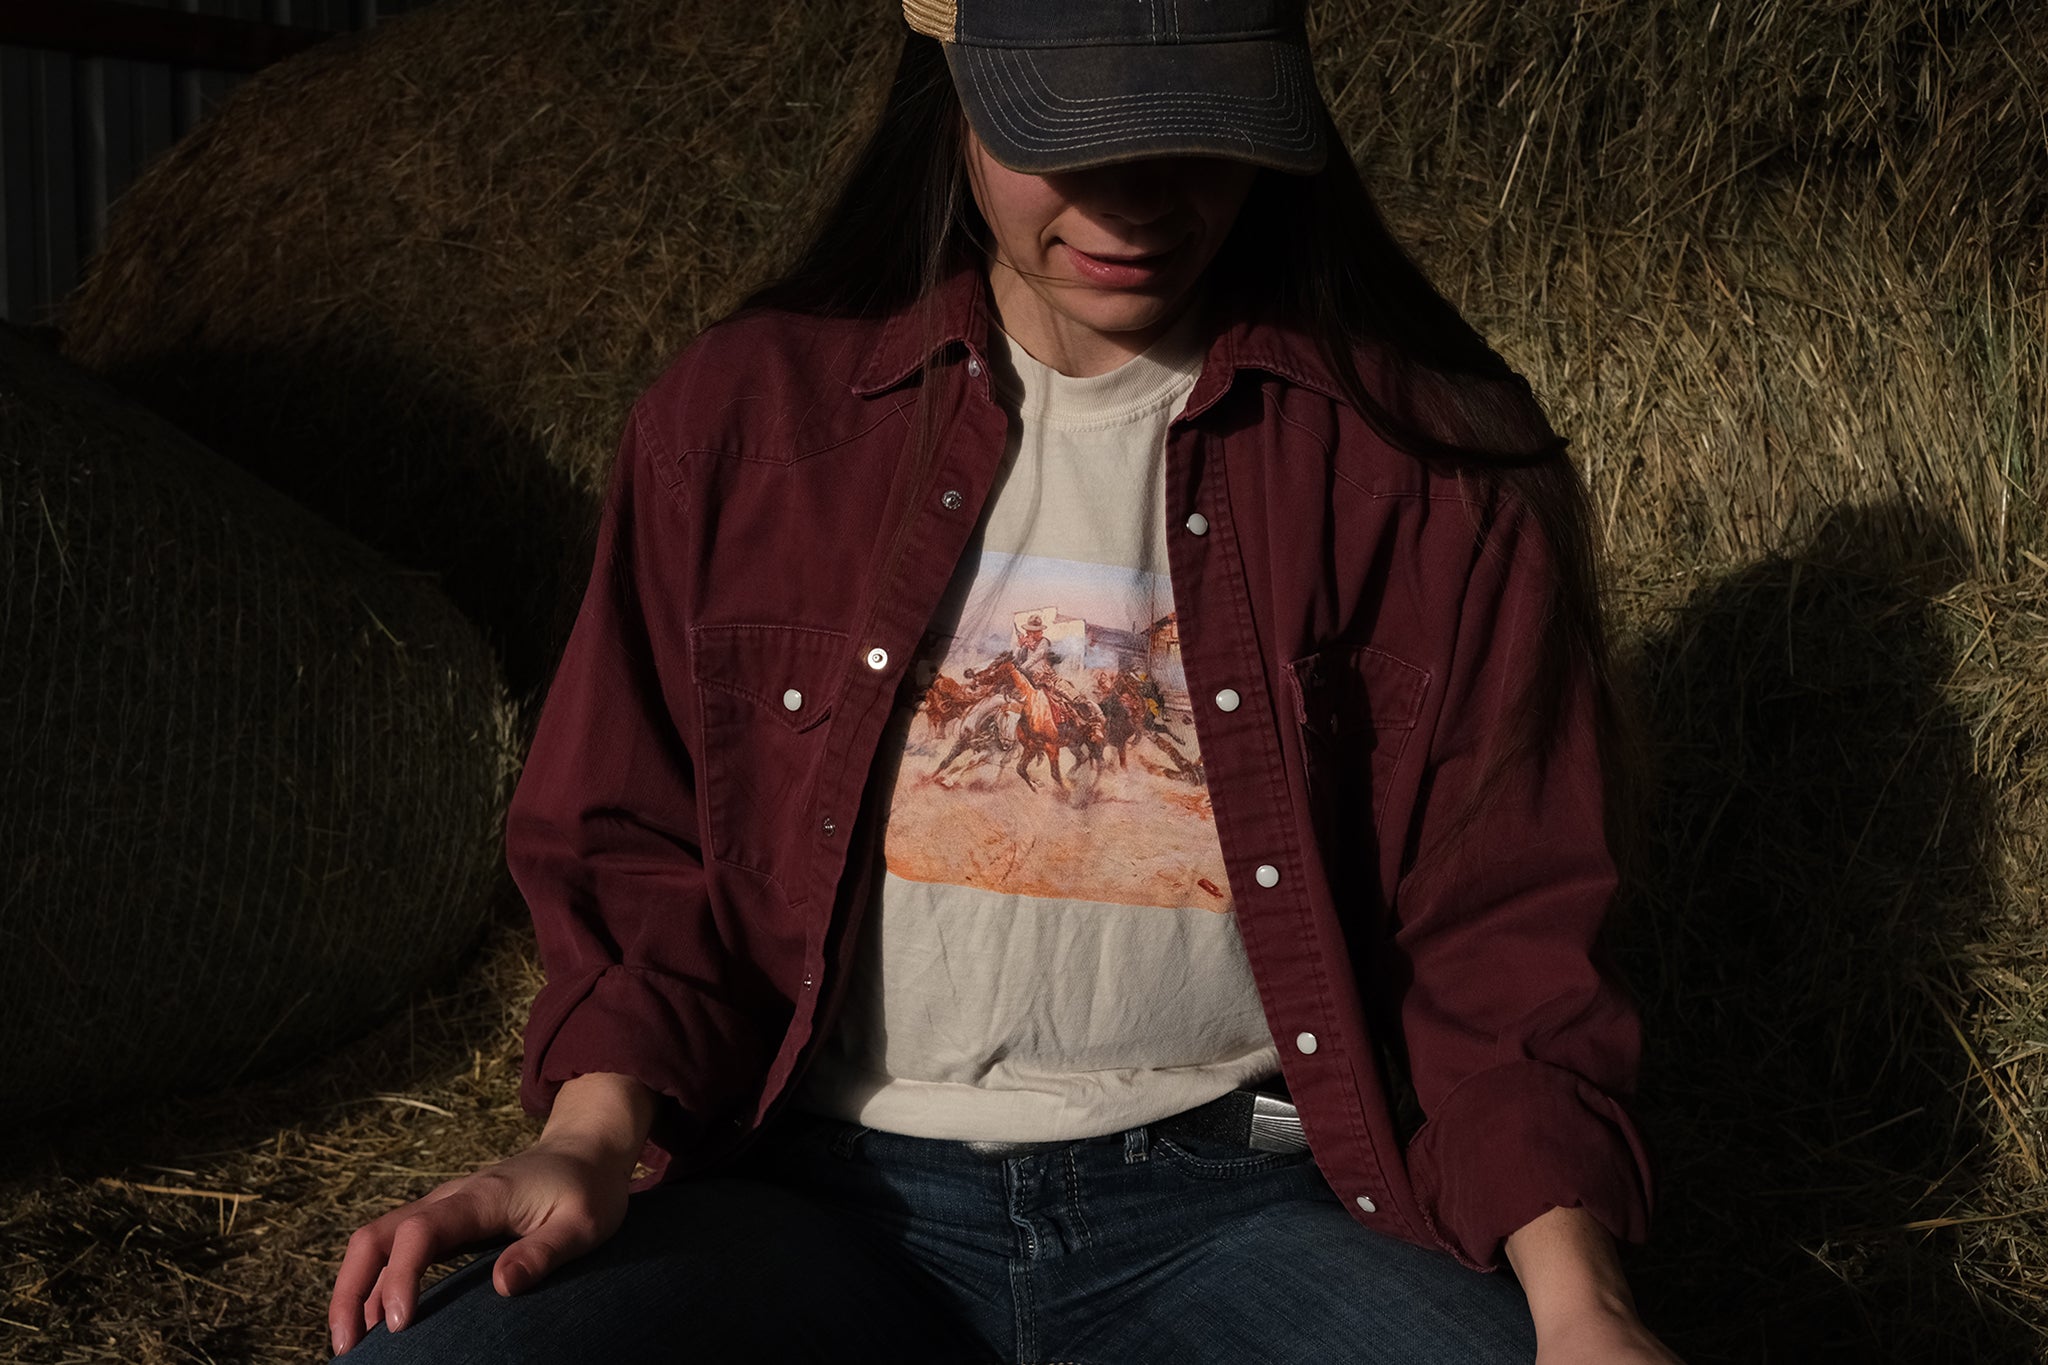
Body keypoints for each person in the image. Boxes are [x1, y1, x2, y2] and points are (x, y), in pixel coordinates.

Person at [329, 2, 1680, 1360]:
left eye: (1196, 137)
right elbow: (636, 838)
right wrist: (589, 1137)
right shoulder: (742, 421)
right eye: (1072, 138)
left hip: (1238, 1210)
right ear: (958, 92)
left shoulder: (1429, 468)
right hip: (816, 1195)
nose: (1136, 204)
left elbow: (1500, 930)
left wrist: (1583, 1308)